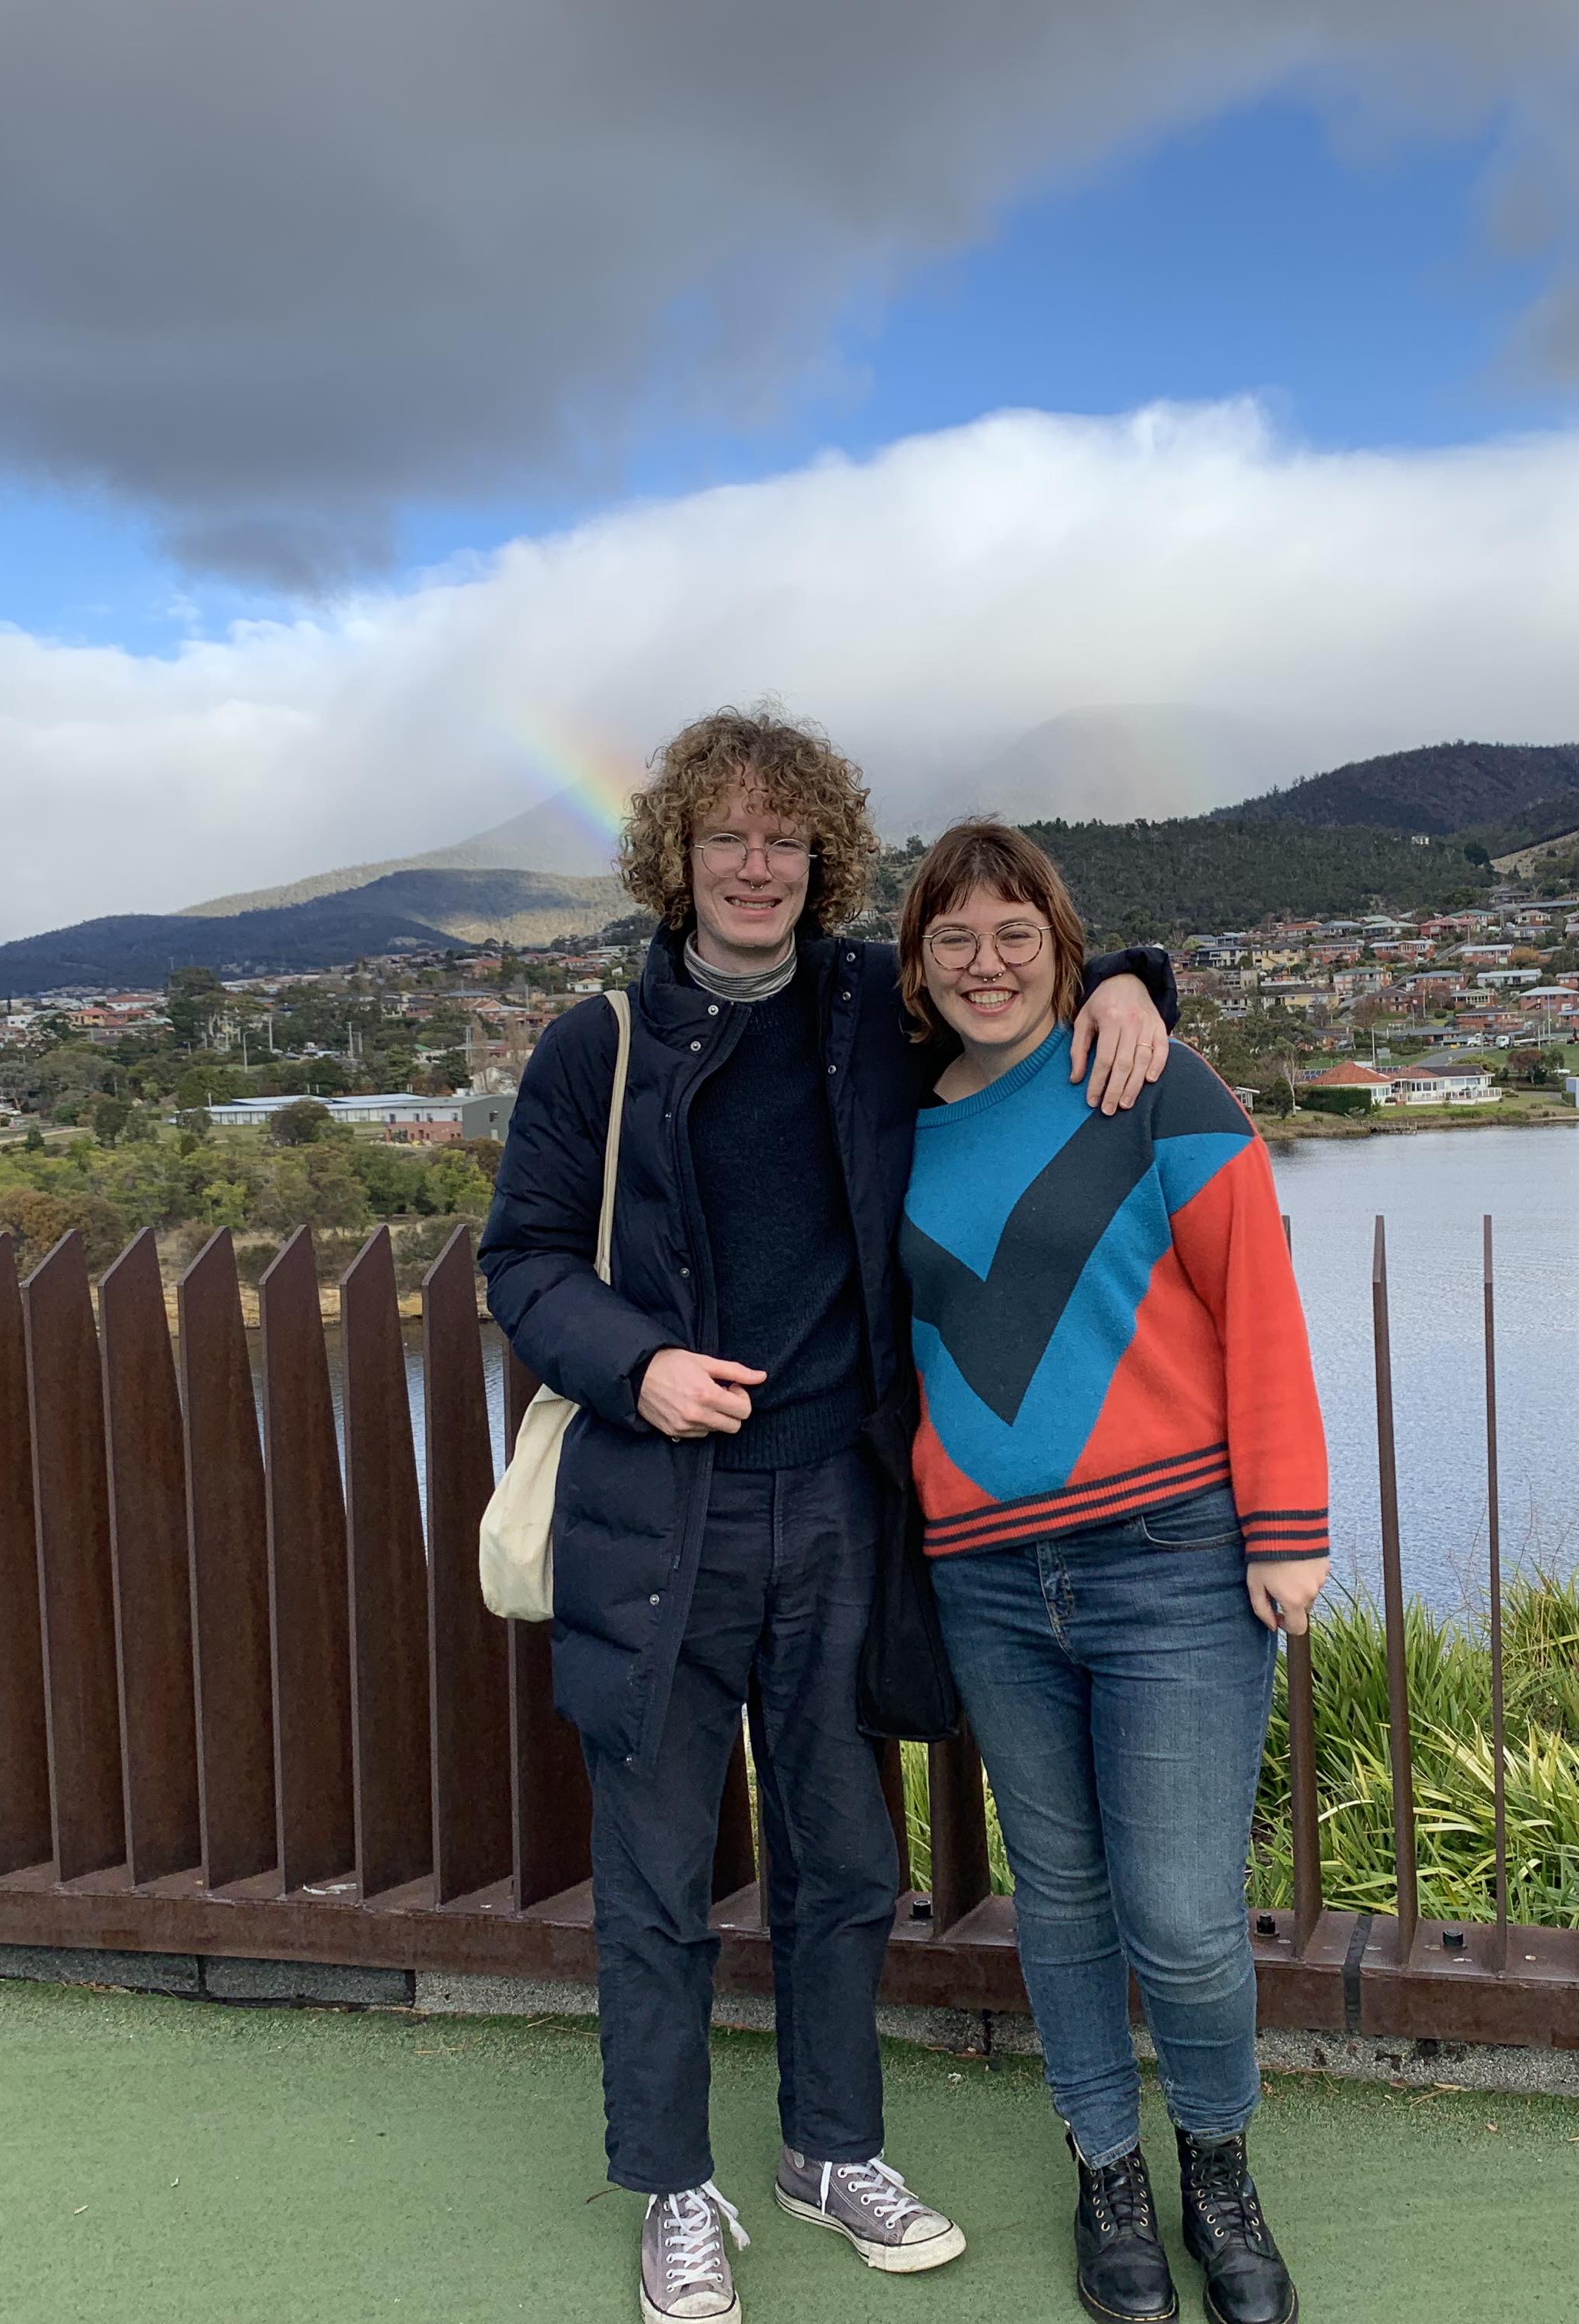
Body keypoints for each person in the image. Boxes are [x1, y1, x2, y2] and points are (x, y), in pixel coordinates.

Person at [480, 712, 1178, 2324]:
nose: (755, 865)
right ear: (677, 856)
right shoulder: (599, 1043)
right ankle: (671, 2187)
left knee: (844, 1861)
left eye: (785, 840)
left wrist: (1137, 976)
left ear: (822, 861)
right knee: (657, 1875)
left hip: (837, 1511)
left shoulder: (873, 1010)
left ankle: (830, 2150)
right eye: (726, 837)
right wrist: (637, 1367)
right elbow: (520, 1261)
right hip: (662, 1513)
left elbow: (1017, 978)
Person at [895, 821, 1328, 2324]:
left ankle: (1219, 2170)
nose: (987, 961)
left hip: (1173, 1564)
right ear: (920, 963)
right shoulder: (903, 1124)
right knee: (1062, 1901)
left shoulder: (1146, 1085)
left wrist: (1288, 1525)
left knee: (1189, 1917)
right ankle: (1107, 2175)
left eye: (1017, 931)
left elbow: (1257, 1301)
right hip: (989, 1583)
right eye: (955, 937)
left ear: (1063, 944)